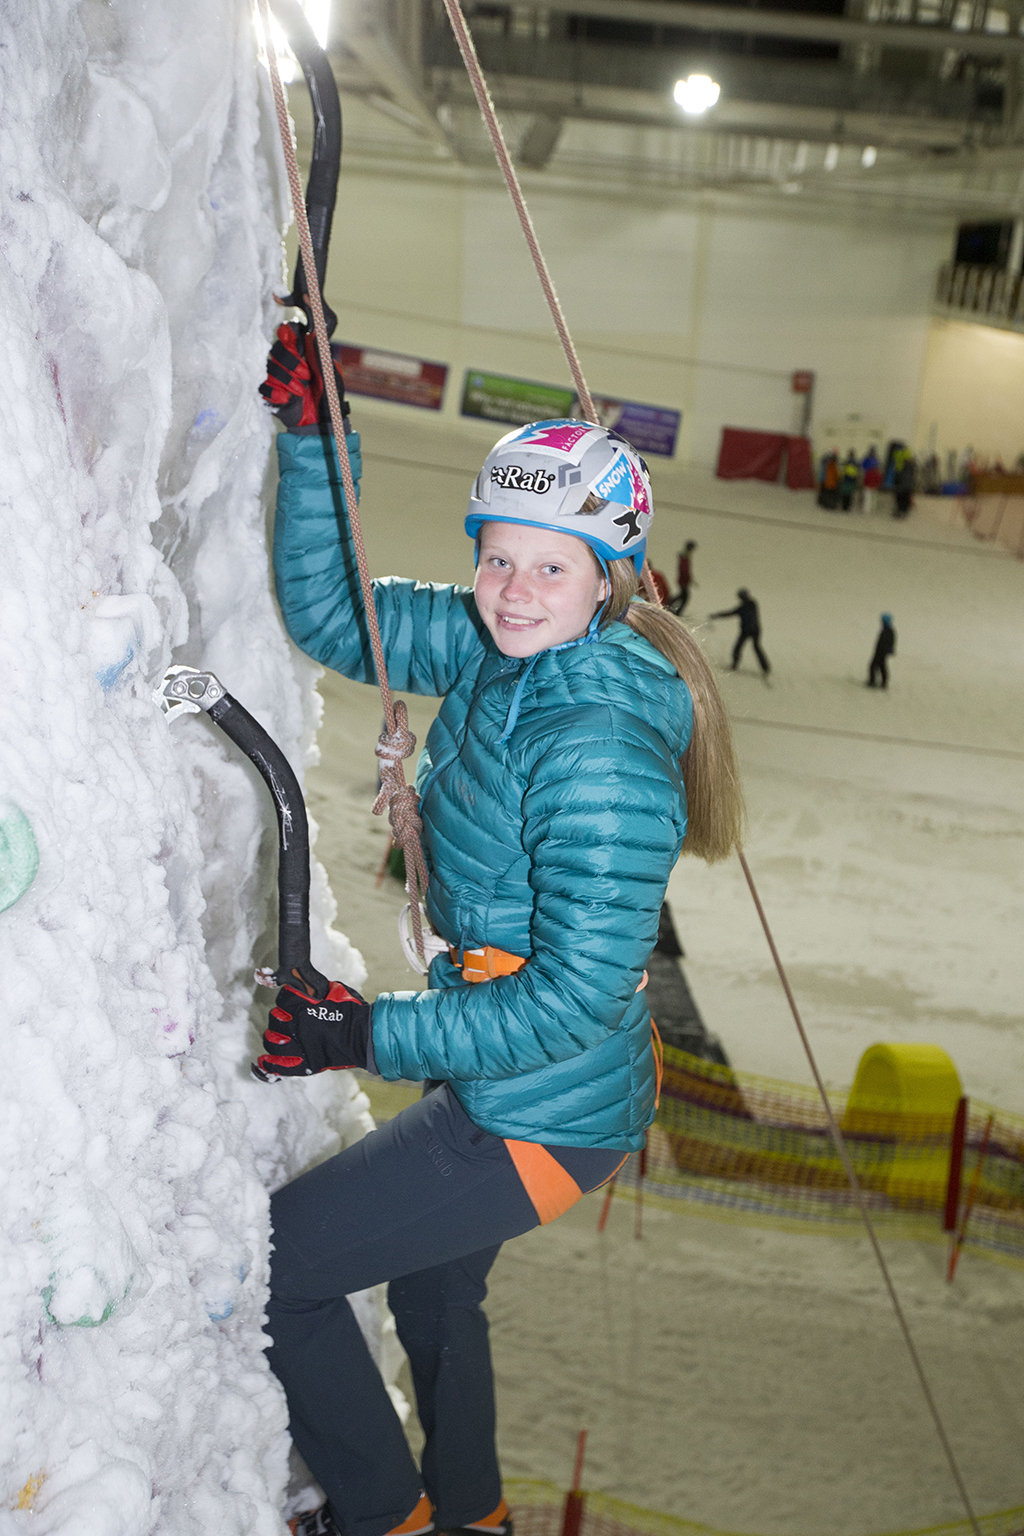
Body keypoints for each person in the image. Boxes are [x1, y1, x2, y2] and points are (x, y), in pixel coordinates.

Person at [258, 326, 745, 1536]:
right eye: (499, 561)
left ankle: (381, 1513)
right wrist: (322, 439)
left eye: (553, 570)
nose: (515, 593)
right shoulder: (499, 649)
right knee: (431, 1298)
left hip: (540, 1107)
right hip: (514, 1080)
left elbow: (575, 997)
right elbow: (337, 618)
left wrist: (357, 1033)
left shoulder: (597, 752)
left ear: (609, 581)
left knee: (277, 1272)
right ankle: (470, 1511)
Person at [710, 589, 770, 677]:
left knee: (741, 647)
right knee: (753, 647)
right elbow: (730, 613)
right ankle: (765, 668)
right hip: (754, 629)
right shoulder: (751, 604)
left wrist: (716, 615)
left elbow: (730, 613)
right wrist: (717, 615)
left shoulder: (746, 606)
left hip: (749, 630)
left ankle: (736, 664)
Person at [867, 613, 896, 689]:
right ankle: (882, 683)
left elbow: (888, 642)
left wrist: (886, 650)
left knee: (874, 666)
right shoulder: (888, 630)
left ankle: (874, 682)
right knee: (880, 667)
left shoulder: (888, 631)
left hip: (881, 652)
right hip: (881, 652)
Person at [670, 540, 696, 614]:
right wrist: (687, 579)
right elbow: (684, 570)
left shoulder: (685, 556)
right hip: (683, 580)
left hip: (684, 580)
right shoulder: (685, 556)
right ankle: (677, 611)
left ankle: (670, 603)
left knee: (682, 596)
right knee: (684, 597)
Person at [891, 443, 915, 518]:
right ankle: (903, 512)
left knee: (900, 499)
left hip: (901, 486)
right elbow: (912, 478)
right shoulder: (911, 467)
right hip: (907, 487)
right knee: (904, 500)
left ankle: (899, 512)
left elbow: (897, 476)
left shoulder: (899, 466)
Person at [861, 446, 882, 516]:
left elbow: (862, 466)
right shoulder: (876, 461)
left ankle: (867, 510)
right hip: (874, 485)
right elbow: (879, 478)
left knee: (867, 498)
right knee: (874, 498)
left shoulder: (866, 459)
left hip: (868, 483)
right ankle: (873, 509)